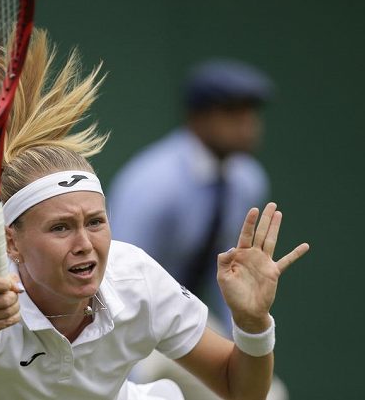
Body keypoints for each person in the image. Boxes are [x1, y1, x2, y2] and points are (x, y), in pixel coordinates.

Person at [0, 30, 309, 400]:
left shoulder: (136, 278)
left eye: (95, 222)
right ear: (12, 242)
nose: (85, 243)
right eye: (61, 227)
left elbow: (239, 390)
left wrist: (251, 326)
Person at [106, 59, 288, 399]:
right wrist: (121, 366)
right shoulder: (152, 185)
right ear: (198, 119)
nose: (247, 124)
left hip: (184, 318)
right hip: (131, 324)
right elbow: (116, 279)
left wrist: (240, 348)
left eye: (251, 111)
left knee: (267, 395)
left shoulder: (247, 180)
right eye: (232, 112)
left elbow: (232, 277)